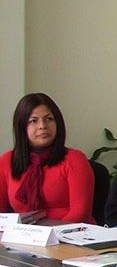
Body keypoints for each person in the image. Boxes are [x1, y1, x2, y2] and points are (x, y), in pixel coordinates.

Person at [0, 92, 94, 223]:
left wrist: (48, 236)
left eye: (49, 119)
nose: (42, 126)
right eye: (33, 121)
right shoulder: (6, 161)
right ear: (22, 127)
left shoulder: (74, 159)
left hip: (71, 236)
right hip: (24, 237)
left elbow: (80, 213)